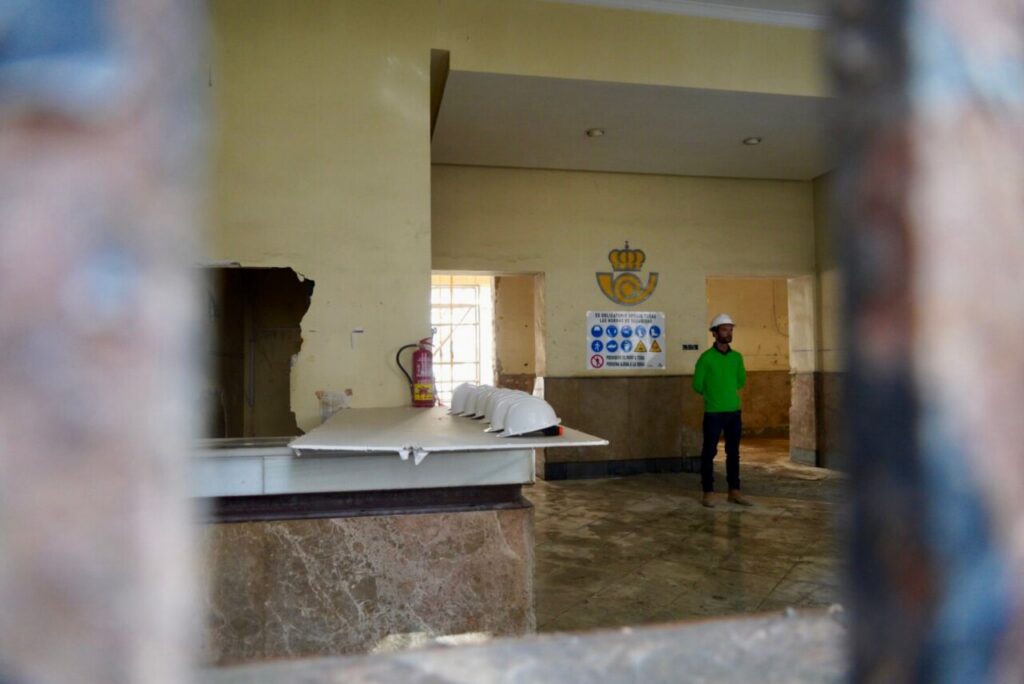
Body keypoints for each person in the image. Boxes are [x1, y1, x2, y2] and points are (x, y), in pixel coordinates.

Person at [692, 313, 752, 508]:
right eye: (725, 329)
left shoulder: (737, 357)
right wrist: (714, 396)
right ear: (715, 333)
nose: (729, 333)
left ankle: (734, 491)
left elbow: (741, 381)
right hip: (713, 413)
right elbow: (697, 385)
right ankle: (708, 492)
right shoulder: (706, 358)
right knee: (709, 452)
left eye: (731, 329)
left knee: (733, 453)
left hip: (734, 412)